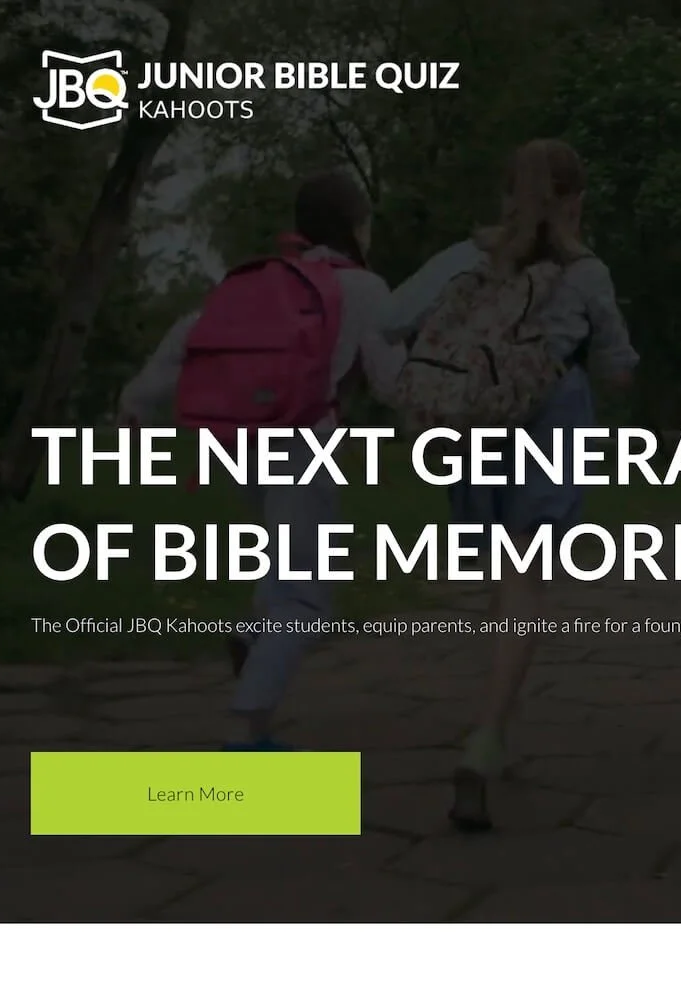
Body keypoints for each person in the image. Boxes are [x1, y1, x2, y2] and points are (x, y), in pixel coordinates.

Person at [380, 139, 638, 832]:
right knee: (525, 585)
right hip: (548, 422)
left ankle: (501, 720)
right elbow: (616, 363)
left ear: (505, 195)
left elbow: (389, 319)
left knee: (503, 580)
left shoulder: (464, 257)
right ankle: (487, 737)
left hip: (473, 427)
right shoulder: (585, 271)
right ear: (576, 201)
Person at [117, 169, 403, 750]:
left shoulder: (266, 279)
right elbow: (393, 383)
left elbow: (192, 334)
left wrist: (135, 403)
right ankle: (245, 724)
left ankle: (255, 639)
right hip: (303, 443)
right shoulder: (366, 289)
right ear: (355, 227)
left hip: (238, 442)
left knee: (282, 568)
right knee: (305, 597)